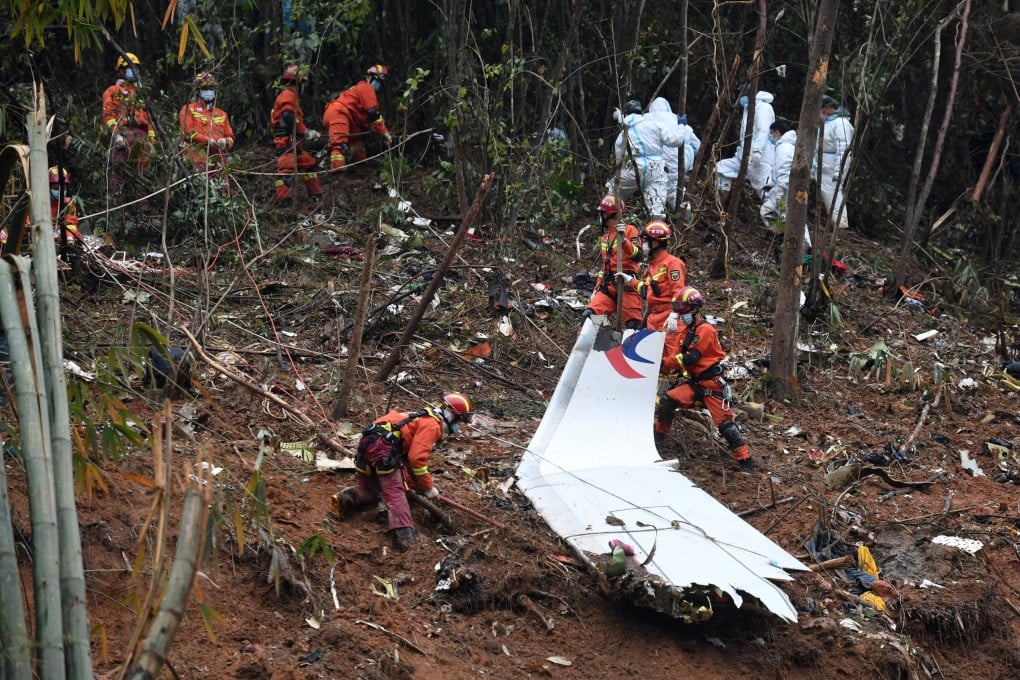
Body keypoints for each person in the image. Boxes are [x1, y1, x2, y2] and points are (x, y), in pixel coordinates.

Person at [332, 393, 474, 550]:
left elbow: (406, 460)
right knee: (394, 492)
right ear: (450, 415)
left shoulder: (421, 416)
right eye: (459, 420)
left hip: (370, 442)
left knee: (373, 488)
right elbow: (417, 459)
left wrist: (415, 484)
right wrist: (427, 487)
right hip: (383, 448)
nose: (457, 426)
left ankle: (345, 498)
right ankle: (405, 541)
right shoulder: (432, 424)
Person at [654, 287, 754, 472]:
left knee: (726, 426)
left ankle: (745, 461)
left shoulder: (705, 330)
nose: (680, 314)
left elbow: (690, 358)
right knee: (668, 401)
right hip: (694, 384)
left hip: (711, 384)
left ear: (693, 309)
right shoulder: (685, 331)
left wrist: (662, 364)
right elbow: (676, 355)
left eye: (682, 310)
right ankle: (658, 438)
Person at [607, 99, 683, 218]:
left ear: (626, 114)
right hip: (656, 168)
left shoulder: (622, 134)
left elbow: (619, 160)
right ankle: (656, 232)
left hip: (634, 168)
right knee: (656, 210)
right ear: (640, 113)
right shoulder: (655, 124)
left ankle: (608, 222)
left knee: (612, 191)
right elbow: (676, 141)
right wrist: (681, 125)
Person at [579, 195, 643, 329]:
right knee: (589, 317)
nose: (600, 217)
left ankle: (623, 344)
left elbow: (638, 256)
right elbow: (605, 267)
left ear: (608, 214)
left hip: (626, 286)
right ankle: (601, 338)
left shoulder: (630, 231)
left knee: (633, 326)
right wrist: (596, 289)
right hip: (608, 288)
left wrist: (624, 241)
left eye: (602, 213)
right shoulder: (606, 238)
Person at [625, 220, 686, 353]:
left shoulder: (673, 264)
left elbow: (678, 292)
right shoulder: (652, 267)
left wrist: (674, 315)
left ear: (656, 243)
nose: (643, 245)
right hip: (653, 318)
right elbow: (647, 290)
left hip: (668, 318)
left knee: (670, 359)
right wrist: (630, 281)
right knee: (651, 360)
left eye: (646, 241)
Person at [270, 63, 324, 204]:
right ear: (299, 82)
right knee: (286, 172)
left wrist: (308, 132)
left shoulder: (290, 96)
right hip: (286, 142)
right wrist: (305, 132)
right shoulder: (288, 95)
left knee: (309, 164)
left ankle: (315, 195)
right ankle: (284, 201)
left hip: (294, 143)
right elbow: (288, 116)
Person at [322, 64, 393, 171]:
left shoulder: (359, 89)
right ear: (369, 78)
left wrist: (371, 127)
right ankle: (338, 171)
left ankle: (361, 164)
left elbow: (363, 117)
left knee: (356, 139)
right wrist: (385, 132)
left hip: (344, 116)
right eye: (377, 81)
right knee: (339, 145)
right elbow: (372, 112)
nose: (377, 85)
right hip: (339, 114)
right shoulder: (366, 87)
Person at [101, 52, 156, 189]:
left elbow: (149, 119)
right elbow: (108, 116)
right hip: (125, 135)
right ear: (121, 70)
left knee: (143, 174)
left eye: (135, 68)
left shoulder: (142, 93)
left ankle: (143, 207)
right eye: (129, 67)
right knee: (119, 172)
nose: (133, 70)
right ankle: (118, 204)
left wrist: (153, 141)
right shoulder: (113, 91)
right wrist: (117, 135)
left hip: (143, 138)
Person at [715, 89, 776, 203]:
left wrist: (758, 151)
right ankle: (720, 206)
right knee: (721, 168)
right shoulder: (748, 108)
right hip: (744, 157)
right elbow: (747, 137)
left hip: (759, 160)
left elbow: (763, 131)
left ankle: (782, 218)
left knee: (765, 194)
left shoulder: (763, 107)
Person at [643, 98, 701, 212]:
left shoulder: (646, 119)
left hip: (660, 160)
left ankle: (655, 217)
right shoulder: (678, 120)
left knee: (657, 187)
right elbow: (697, 145)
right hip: (682, 160)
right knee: (676, 188)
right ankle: (684, 217)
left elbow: (631, 123)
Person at [179, 72, 235, 181]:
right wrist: (207, 140)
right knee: (199, 190)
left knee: (221, 191)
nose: (208, 91)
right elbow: (187, 133)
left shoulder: (221, 114)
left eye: (211, 88)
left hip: (218, 160)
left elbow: (230, 136)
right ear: (198, 91)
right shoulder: (189, 109)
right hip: (197, 158)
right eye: (205, 88)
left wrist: (226, 141)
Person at [818, 95, 853, 230]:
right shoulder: (827, 122)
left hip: (833, 164)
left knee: (833, 192)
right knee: (827, 192)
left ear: (828, 108)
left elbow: (843, 149)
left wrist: (839, 170)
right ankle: (835, 222)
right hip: (824, 163)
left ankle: (840, 223)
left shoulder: (841, 124)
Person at [760, 121, 800, 235]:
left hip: (787, 189)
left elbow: (784, 169)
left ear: (777, 132)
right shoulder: (790, 146)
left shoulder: (784, 147)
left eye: (772, 133)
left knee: (789, 218)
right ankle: (780, 237)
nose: (771, 136)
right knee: (795, 218)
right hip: (791, 187)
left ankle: (799, 245)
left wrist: (780, 190)